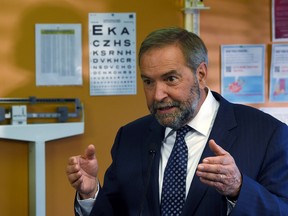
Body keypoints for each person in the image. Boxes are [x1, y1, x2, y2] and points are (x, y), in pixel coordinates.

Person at [66, 27, 288, 216]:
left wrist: (238, 188)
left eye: (170, 79)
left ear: (200, 75)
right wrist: (90, 193)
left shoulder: (268, 134)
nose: (157, 95)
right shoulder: (130, 137)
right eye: (148, 82)